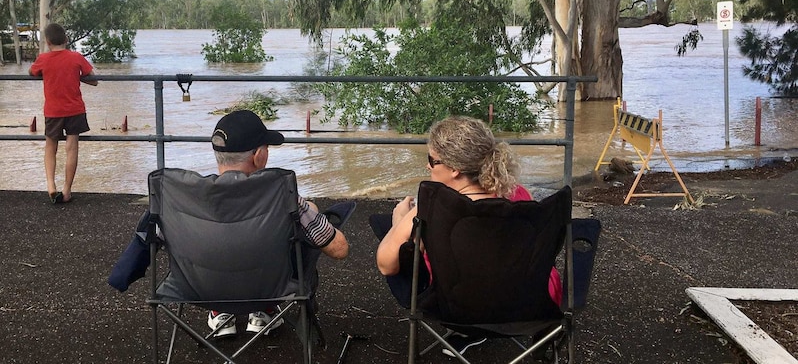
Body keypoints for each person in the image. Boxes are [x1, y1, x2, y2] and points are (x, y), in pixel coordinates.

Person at [372, 115, 562, 357]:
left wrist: (399, 221)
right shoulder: (519, 196)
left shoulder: (431, 209)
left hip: (455, 310)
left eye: (432, 160)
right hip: (532, 306)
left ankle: (470, 331)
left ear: (454, 169)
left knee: (399, 250)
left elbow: (385, 265)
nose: (427, 166)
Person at [206, 109, 351, 338]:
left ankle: (221, 311)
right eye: (266, 148)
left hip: (202, 289)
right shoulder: (284, 198)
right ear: (258, 156)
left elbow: (145, 245)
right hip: (269, 289)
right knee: (302, 234)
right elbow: (339, 249)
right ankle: (263, 310)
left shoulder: (183, 199)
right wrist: (308, 210)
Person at [29, 23, 97, 205]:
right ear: (66, 40)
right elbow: (94, 79)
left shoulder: (43, 59)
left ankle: (51, 187)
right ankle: (66, 190)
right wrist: (76, 76)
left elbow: (32, 72)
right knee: (71, 148)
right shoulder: (76, 57)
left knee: (50, 147)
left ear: (47, 41)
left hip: (53, 110)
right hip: (75, 109)